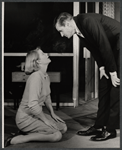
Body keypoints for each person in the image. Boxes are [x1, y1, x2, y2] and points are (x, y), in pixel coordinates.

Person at [55, 12, 120, 141]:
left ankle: (111, 129)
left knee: (115, 87)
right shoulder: (79, 30)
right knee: (103, 87)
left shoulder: (86, 21)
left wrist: (112, 72)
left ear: (67, 24)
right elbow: (95, 48)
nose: (62, 35)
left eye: (61, 31)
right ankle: (99, 126)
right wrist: (102, 67)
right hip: (110, 48)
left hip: (118, 44)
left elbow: (103, 43)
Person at [5, 47, 67, 147]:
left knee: (63, 127)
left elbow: (47, 97)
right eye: (43, 54)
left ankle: (28, 132)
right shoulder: (36, 77)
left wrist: (52, 114)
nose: (46, 54)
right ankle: (18, 139)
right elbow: (32, 105)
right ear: (38, 61)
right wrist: (45, 120)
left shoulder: (45, 75)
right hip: (25, 118)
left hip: (35, 115)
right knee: (57, 135)